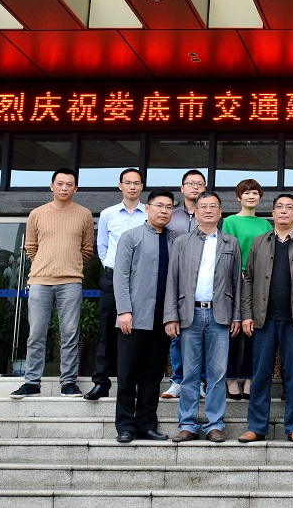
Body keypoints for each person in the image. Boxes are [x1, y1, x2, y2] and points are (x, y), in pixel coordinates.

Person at [239, 194, 293, 444]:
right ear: (272, 213)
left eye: (289, 208)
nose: (284, 211)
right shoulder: (259, 242)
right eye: (279, 207)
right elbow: (249, 280)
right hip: (263, 320)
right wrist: (247, 314)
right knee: (260, 374)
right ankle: (256, 427)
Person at [165, 191, 242, 443]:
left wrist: (237, 316)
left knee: (217, 374)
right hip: (190, 314)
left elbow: (237, 283)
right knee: (190, 373)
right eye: (204, 206)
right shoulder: (182, 242)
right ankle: (188, 424)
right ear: (196, 212)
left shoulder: (231, 243)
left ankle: (214, 425)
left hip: (220, 315)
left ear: (220, 212)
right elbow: (172, 281)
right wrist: (171, 316)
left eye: (213, 206)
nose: (208, 210)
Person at [11, 168, 94, 399]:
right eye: (60, 183)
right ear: (52, 186)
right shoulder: (37, 214)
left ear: (75, 188)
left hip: (71, 281)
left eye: (69, 184)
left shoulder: (84, 214)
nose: (64, 188)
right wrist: (47, 265)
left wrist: (70, 265)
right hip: (40, 281)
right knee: (36, 333)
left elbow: (87, 250)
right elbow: (31, 247)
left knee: (70, 333)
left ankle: (68, 382)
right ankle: (31, 382)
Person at [112, 190, 174, 443]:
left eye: (169, 207)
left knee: (153, 376)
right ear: (147, 208)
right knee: (127, 374)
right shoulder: (131, 237)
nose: (164, 211)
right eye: (159, 205)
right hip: (134, 317)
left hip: (162, 319)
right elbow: (120, 275)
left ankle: (147, 424)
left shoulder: (174, 240)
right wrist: (124, 311)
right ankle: (125, 426)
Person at [86, 168, 147, 401]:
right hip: (112, 277)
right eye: (128, 182)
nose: (132, 187)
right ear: (120, 186)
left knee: (137, 331)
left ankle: (134, 381)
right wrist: (111, 266)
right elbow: (102, 247)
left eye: (136, 183)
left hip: (141, 279)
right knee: (107, 329)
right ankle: (101, 382)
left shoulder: (148, 213)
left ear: (142, 186)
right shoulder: (108, 214)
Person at [220, 179, 273, 401]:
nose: (251, 196)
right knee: (233, 330)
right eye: (246, 193)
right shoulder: (230, 221)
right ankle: (231, 377)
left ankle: (251, 377)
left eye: (255, 193)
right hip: (236, 280)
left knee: (256, 331)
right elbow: (227, 251)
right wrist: (239, 274)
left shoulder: (266, 224)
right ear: (238, 197)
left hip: (261, 282)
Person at [162, 169, 208, 400]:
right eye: (191, 183)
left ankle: (200, 381)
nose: (195, 187)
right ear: (182, 188)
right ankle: (178, 380)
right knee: (178, 334)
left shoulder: (209, 216)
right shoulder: (171, 216)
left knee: (203, 336)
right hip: (176, 280)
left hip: (203, 283)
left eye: (199, 183)